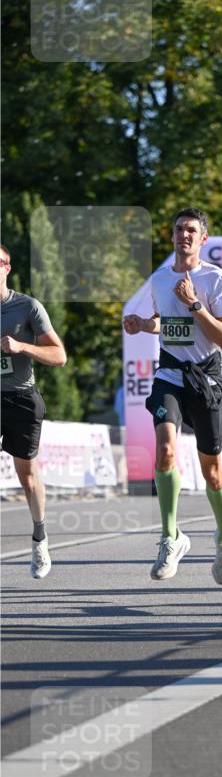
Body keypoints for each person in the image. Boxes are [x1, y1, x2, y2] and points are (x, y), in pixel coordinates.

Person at [123, 207, 222, 584]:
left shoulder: (215, 279)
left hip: (205, 378)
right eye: (178, 229)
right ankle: (170, 536)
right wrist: (143, 325)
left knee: (212, 469)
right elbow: (165, 322)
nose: (183, 235)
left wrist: (195, 304)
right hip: (170, 373)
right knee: (167, 448)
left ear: (203, 238)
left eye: (191, 230)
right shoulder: (157, 280)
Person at [0, 242, 67, 578]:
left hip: (21, 399)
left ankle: (39, 537)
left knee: (26, 475)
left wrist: (22, 346)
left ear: (7, 268)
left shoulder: (27, 306)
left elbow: (59, 355)